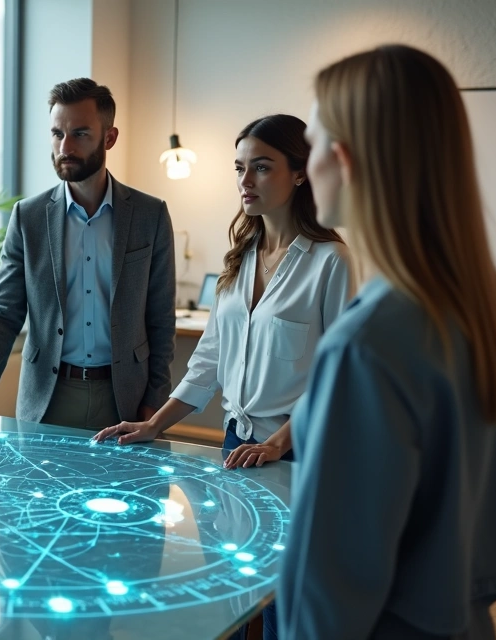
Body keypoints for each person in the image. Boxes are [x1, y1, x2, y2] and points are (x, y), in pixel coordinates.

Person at [278, 45, 496, 639]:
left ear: (344, 160)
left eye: (312, 147)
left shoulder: (366, 344)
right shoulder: (491, 309)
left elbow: (328, 595)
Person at [94, 114, 351, 472]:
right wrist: (153, 424)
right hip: (236, 444)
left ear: (299, 173)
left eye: (261, 168)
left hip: (297, 450)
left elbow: (340, 376)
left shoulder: (331, 262)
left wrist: (276, 445)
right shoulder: (240, 259)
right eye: (239, 168)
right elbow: (209, 361)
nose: (245, 180)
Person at [0, 78, 177, 429]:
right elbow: (4, 313)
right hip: (48, 398)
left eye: (80, 134)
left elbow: (161, 318)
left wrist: (154, 399)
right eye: (57, 133)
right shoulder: (28, 217)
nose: (65, 146)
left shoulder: (149, 214)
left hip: (126, 397)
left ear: (109, 138)